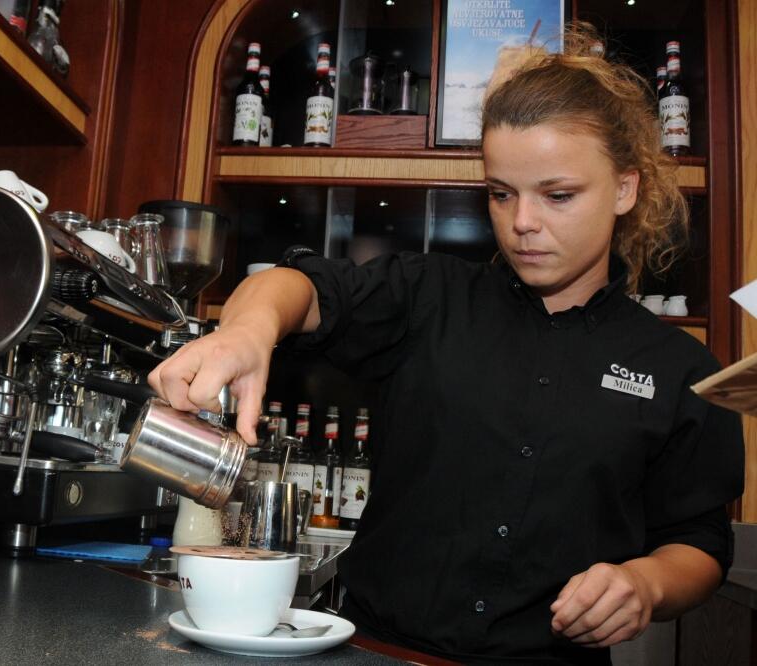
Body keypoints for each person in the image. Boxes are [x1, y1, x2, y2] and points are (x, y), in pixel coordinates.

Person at [148, 25, 744, 664]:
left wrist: (646, 583)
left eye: (558, 195)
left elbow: (700, 544)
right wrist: (246, 331)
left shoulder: (681, 371)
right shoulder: (428, 296)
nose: (522, 223)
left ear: (624, 189)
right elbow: (300, 288)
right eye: (500, 193)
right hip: (378, 650)